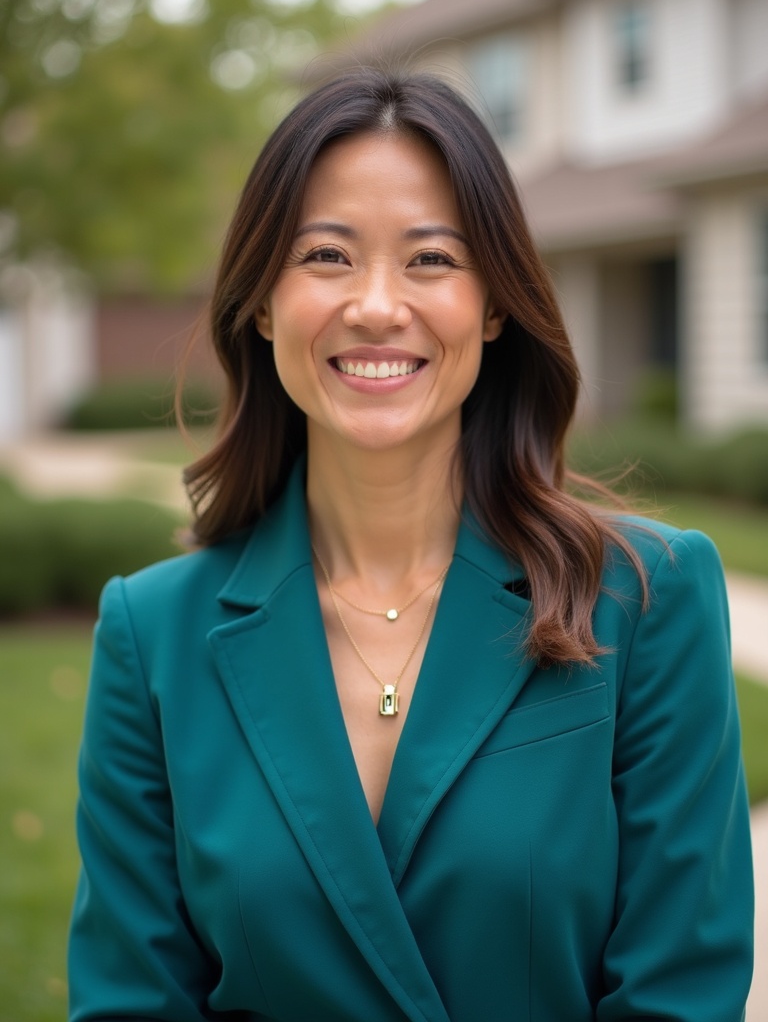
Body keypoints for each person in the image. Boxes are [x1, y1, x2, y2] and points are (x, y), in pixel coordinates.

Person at [68, 68, 753, 1021]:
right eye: (327, 256)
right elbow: (131, 999)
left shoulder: (647, 597)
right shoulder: (151, 635)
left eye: (431, 258)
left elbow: (682, 991)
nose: (378, 306)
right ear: (262, 303)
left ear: (495, 304)